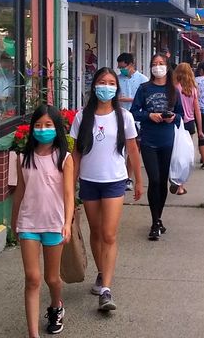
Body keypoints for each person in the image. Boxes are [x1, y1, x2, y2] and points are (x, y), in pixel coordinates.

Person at [70, 67, 143, 312]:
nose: (107, 86)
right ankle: (101, 272)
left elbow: (133, 150)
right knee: (96, 231)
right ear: (94, 86)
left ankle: (106, 289)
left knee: (110, 234)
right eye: (103, 82)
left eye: (112, 82)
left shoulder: (124, 117)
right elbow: (76, 153)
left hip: (115, 181)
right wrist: (70, 186)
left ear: (116, 88)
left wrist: (139, 181)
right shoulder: (82, 116)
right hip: (89, 181)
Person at [11, 105, 74, 337]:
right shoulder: (22, 157)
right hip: (28, 224)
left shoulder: (64, 158)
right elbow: (19, 192)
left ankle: (56, 305)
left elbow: (68, 194)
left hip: (54, 224)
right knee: (32, 278)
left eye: (48, 125)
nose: (43, 130)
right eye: (38, 125)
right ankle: (33, 333)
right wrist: (14, 222)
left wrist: (67, 223)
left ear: (57, 128)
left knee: (52, 278)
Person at [131, 53, 184, 241]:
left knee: (162, 182)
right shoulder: (144, 89)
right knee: (153, 180)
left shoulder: (174, 90)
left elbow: (180, 115)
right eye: (154, 64)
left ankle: (159, 218)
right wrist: (148, 116)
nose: (158, 67)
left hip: (167, 140)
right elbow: (134, 112)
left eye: (161, 63)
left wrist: (172, 118)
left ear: (167, 66)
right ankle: (154, 222)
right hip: (148, 140)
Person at [116, 53, 148, 192]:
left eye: (122, 67)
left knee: (133, 149)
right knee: (119, 148)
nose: (120, 69)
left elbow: (144, 100)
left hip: (136, 120)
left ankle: (128, 178)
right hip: (119, 117)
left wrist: (128, 100)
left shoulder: (142, 80)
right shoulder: (117, 80)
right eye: (119, 67)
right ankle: (119, 175)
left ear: (130, 65)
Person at [173, 63, 204, 194]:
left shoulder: (174, 88)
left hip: (175, 122)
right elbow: (197, 110)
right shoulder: (193, 89)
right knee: (185, 155)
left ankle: (172, 176)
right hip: (189, 123)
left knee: (174, 152)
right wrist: (200, 130)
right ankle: (181, 185)